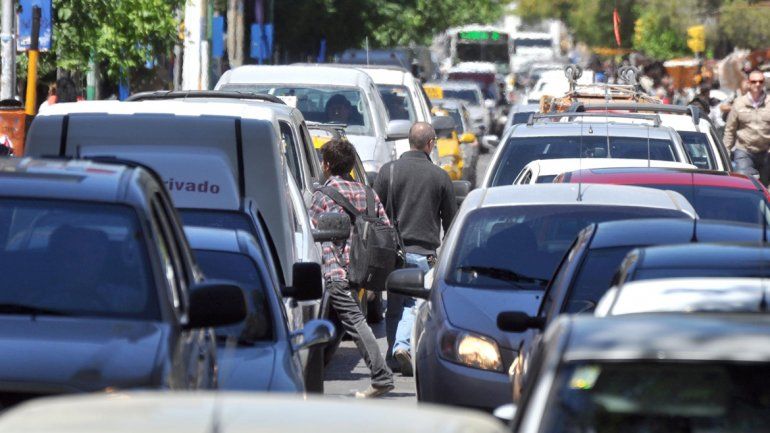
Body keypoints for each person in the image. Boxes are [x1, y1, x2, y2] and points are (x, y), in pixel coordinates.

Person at [309, 138, 394, 398]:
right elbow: (386, 228)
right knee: (338, 319)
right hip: (363, 269)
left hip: (336, 270)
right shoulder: (368, 193)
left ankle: (381, 376)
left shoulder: (322, 196)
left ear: (326, 165)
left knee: (355, 321)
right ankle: (315, 371)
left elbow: (312, 234)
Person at [375, 121, 457, 376]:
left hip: (391, 254)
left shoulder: (387, 172)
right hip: (423, 255)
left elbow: (375, 214)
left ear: (409, 142)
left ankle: (392, 355)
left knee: (395, 306)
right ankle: (402, 346)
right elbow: (451, 222)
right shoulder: (440, 177)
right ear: (430, 144)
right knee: (413, 304)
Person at [724, 70, 770, 184]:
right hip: (744, 151)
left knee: (764, 187)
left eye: (760, 81)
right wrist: (725, 151)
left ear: (764, 83)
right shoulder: (739, 103)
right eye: (754, 81)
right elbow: (730, 130)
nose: (757, 84)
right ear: (748, 83)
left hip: (765, 152)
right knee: (745, 183)